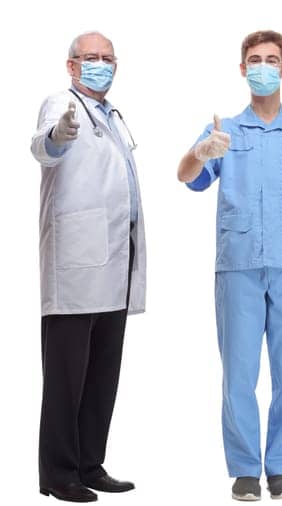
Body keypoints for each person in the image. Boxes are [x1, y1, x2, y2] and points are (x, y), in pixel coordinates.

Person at [176, 30, 282, 502]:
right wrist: (200, 152)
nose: (263, 67)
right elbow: (186, 176)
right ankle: (245, 470)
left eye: (272, 60)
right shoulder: (224, 130)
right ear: (242, 68)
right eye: (255, 59)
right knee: (238, 374)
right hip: (238, 264)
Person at [30, 30, 144, 503]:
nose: (100, 64)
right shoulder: (61, 103)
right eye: (90, 58)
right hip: (77, 265)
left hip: (115, 262)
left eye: (107, 58)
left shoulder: (112, 116)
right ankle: (58, 473)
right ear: (72, 65)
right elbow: (43, 147)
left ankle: (90, 464)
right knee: (67, 376)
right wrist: (58, 136)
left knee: (102, 373)